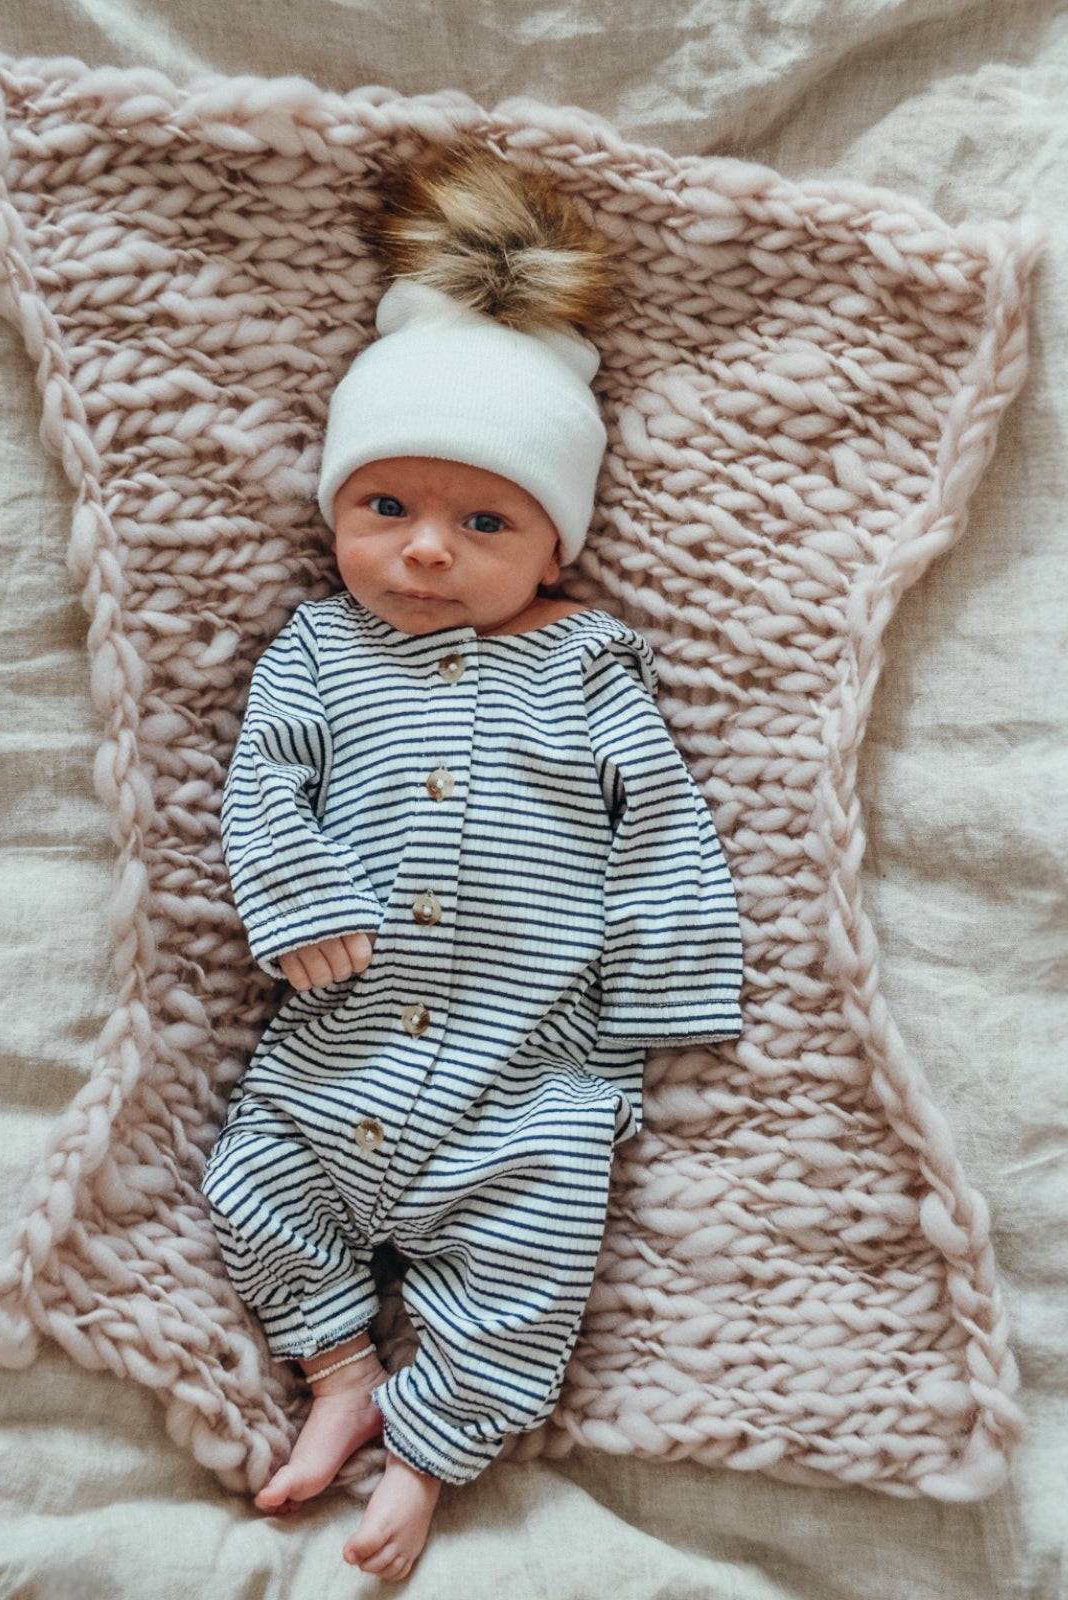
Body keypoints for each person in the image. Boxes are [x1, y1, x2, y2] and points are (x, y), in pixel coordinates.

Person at [203, 146, 743, 1581]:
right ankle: (338, 1376)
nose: (426, 551)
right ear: (335, 515)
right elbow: (263, 785)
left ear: (553, 550)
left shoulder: (584, 662)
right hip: (343, 1044)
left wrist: (661, 990)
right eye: (387, 510)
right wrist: (301, 890)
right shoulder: (320, 651)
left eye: (482, 522)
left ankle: (430, 1456)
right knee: (251, 1188)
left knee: (532, 1268)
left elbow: (665, 818)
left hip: (530, 1071)